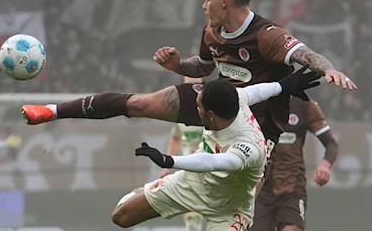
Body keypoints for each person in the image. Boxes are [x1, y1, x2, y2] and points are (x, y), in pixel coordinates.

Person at [21, 0, 356, 155]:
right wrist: (178, 65)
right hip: (216, 102)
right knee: (138, 103)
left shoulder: (267, 36)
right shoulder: (211, 32)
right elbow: (203, 67)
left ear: (224, 0)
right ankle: (51, 111)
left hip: (256, 128)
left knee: (236, 204)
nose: (203, 5)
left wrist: (329, 69)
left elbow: (307, 55)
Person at [111, 66, 320, 230]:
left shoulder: (250, 145)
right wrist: (284, 86)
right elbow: (258, 91)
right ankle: (146, 192)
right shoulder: (236, 99)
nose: (195, 109)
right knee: (121, 216)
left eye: (199, 107)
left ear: (211, 115)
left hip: (229, 208)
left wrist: (170, 161)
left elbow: (215, 161)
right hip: (193, 184)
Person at [249, 96, 339, 231]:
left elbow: (331, 144)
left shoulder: (305, 105)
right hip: (260, 187)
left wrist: (324, 165)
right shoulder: (258, 100)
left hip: (292, 187)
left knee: (292, 229)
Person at [158, 76, 205, 231]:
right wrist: (166, 167)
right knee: (192, 219)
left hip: (211, 168)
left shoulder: (210, 110)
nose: (192, 90)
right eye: (188, 86)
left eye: (196, 86)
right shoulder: (180, 113)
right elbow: (176, 138)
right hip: (189, 170)